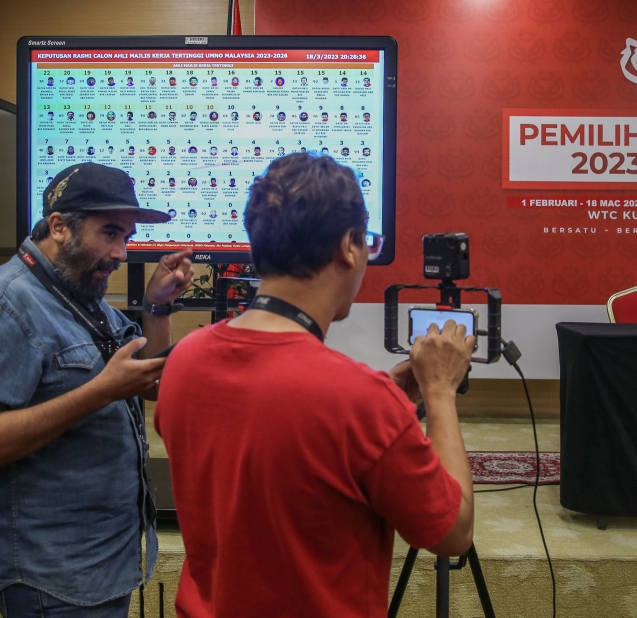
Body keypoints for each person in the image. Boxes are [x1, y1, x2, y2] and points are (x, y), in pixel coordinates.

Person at [155, 153, 474, 617]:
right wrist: (440, 391)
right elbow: (453, 534)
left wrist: (384, 404)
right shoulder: (360, 402)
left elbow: (267, 435)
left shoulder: (185, 360)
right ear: (349, 245)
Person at [0, 162, 195, 617]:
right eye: (110, 233)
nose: (120, 252)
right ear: (58, 226)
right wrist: (99, 391)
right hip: (50, 578)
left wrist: (157, 306)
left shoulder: (80, 295)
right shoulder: (1, 304)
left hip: (100, 562)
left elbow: (148, 381)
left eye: (127, 238)